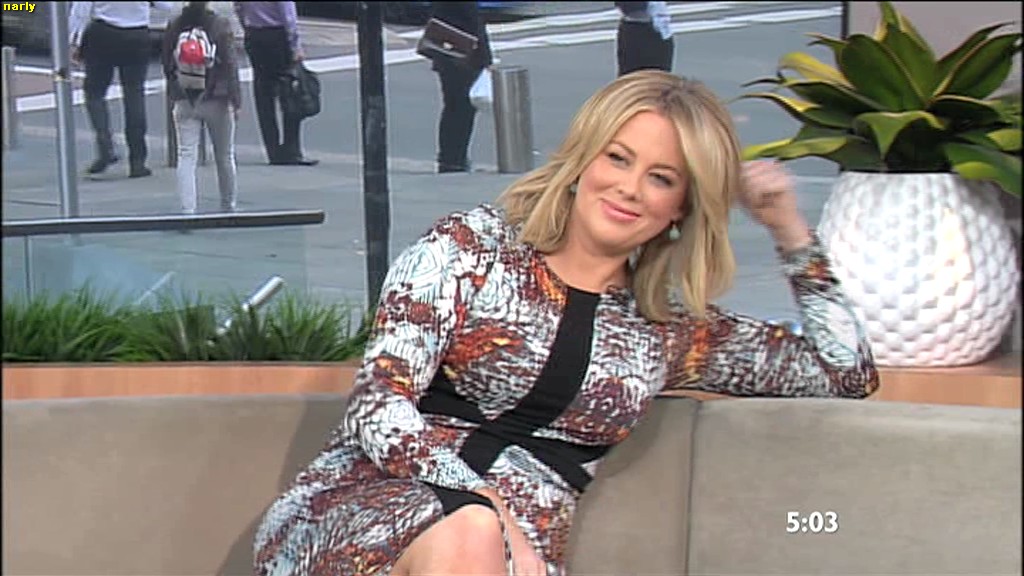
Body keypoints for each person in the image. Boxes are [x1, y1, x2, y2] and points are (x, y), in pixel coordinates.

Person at [253, 71, 880, 576]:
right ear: (584, 159)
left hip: (508, 557)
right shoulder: (470, 250)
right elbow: (377, 406)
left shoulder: (667, 329)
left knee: (473, 538)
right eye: (619, 158)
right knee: (469, 532)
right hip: (358, 521)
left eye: (660, 178)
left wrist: (788, 229)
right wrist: (488, 508)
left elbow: (844, 373)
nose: (629, 188)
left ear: (680, 208)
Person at [69, 0, 174, 178]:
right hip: (137, 34)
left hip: (103, 33)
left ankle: (106, 147)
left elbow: (81, 10)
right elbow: (167, 6)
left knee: (95, 93)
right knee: (134, 94)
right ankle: (138, 160)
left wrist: (74, 41)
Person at [163, 1, 241, 214]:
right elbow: (230, 65)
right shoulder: (220, 25)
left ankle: (188, 210)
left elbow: (167, 62)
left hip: (185, 98)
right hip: (216, 97)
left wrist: (176, 89)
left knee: (186, 155)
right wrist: (236, 100)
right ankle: (228, 206)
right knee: (225, 156)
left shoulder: (175, 24)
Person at [234, 1, 317, 166]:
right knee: (290, 89)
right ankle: (291, 149)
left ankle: (272, 149)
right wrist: (295, 45)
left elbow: (238, 7)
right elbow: (288, 15)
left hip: (255, 34)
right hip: (277, 35)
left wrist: (247, 27)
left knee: (263, 93)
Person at [428, 1, 493, 173]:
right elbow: (473, 21)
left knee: (453, 107)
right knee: (462, 108)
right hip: (463, 52)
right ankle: (454, 158)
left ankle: (450, 158)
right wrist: (486, 58)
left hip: (447, 49)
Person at [615, 1, 674, 76]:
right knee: (635, 77)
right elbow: (630, 7)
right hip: (638, 28)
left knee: (661, 77)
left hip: (661, 29)